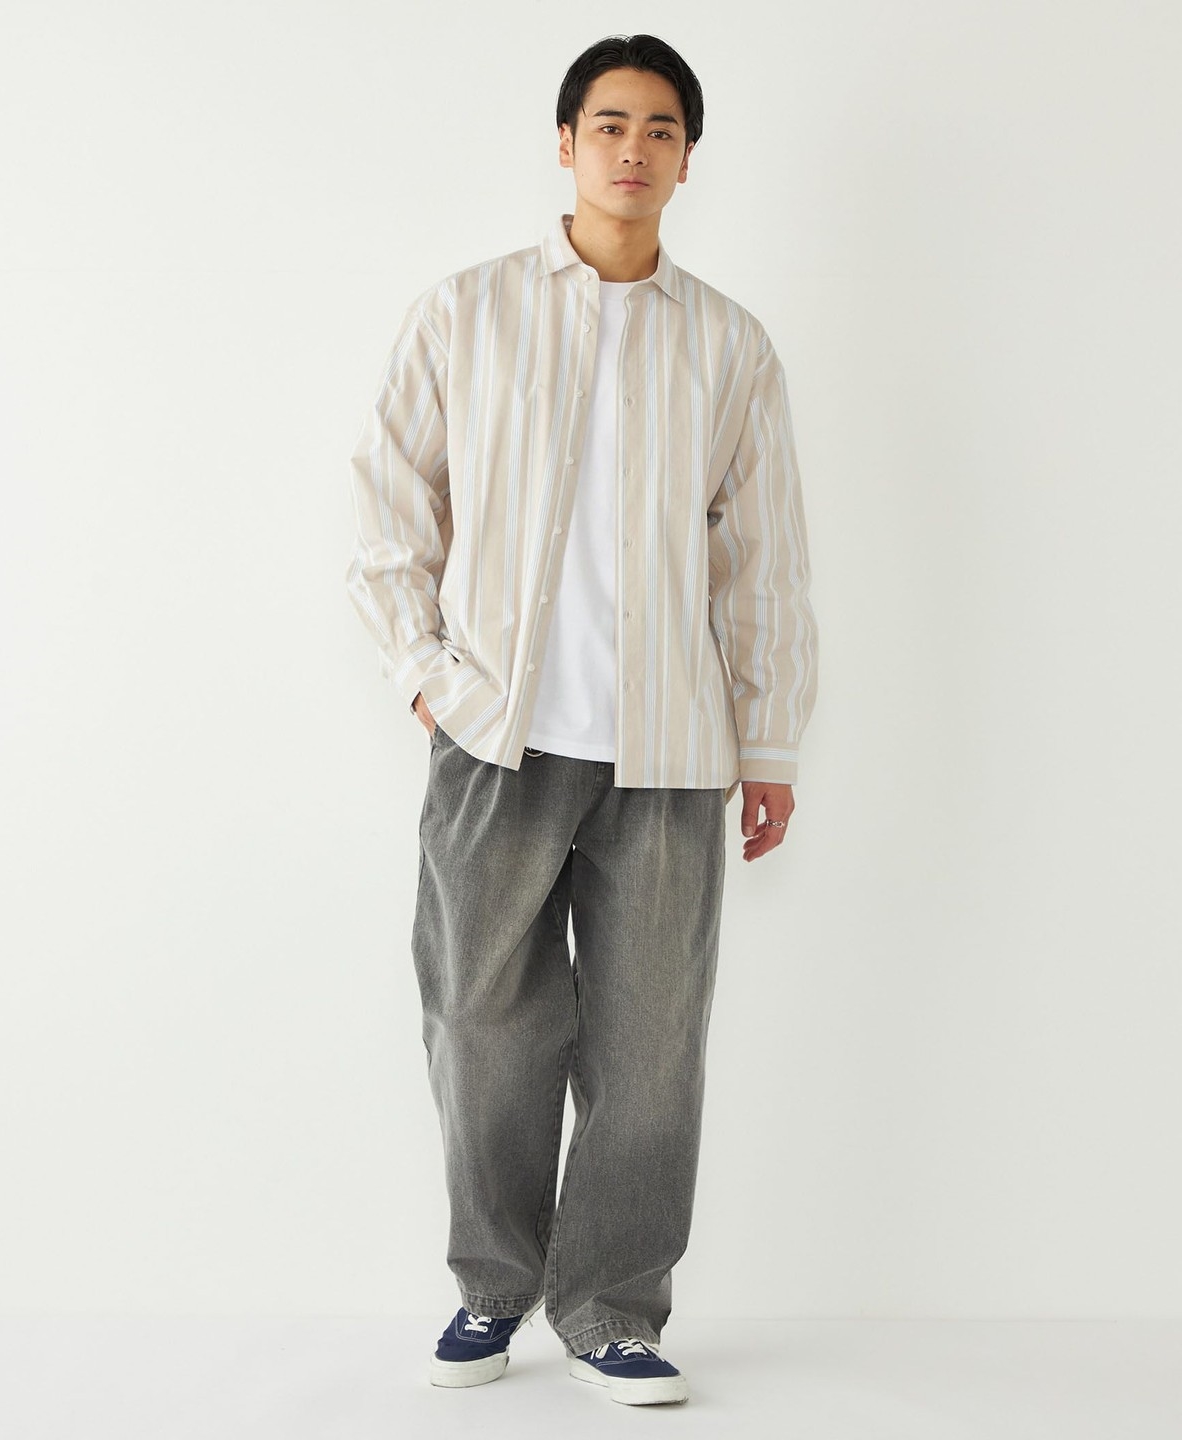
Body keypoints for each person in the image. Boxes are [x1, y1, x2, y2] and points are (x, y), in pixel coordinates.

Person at [345, 33, 819, 1407]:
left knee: (650, 1046)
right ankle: (492, 1289)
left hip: (670, 750)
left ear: (687, 159)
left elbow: (764, 559)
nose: (633, 149)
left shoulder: (729, 343)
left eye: (661, 129)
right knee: (479, 1022)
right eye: (609, 124)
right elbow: (387, 504)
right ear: (565, 144)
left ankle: (612, 1307)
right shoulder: (468, 312)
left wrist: (767, 740)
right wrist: (427, 675)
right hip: (495, 739)